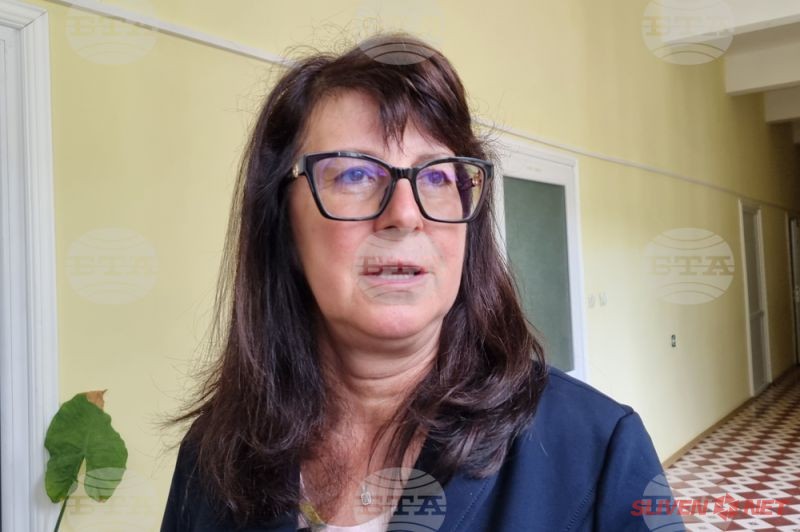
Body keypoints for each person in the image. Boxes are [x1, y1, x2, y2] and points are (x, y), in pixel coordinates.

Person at [160, 33, 681, 532]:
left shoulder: (599, 452)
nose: (405, 214)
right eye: (355, 174)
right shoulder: (214, 455)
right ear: (283, 225)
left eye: (436, 176)